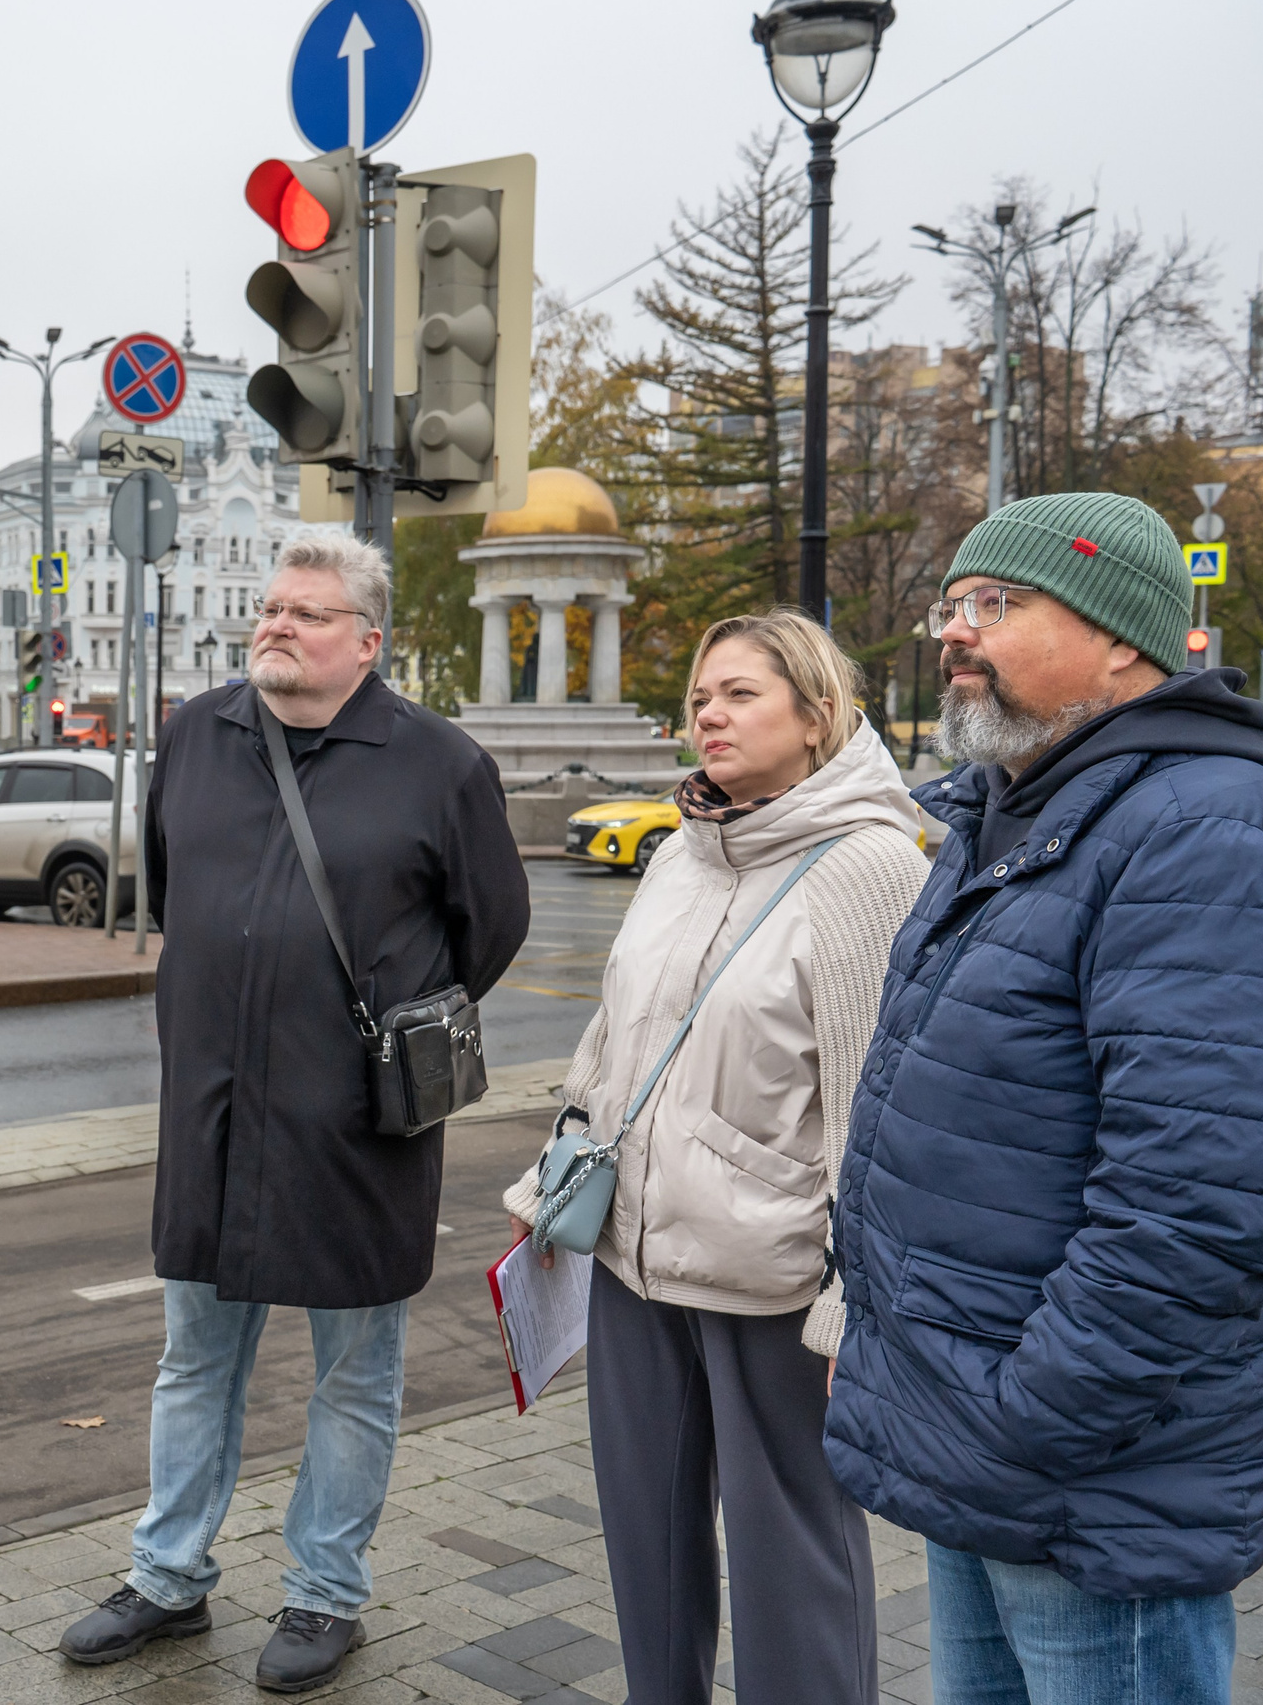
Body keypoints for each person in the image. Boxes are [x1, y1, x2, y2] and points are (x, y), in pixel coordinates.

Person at [826, 492, 1263, 1704]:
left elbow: (1203, 1199)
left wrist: (1032, 1411)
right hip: (981, 1433)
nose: (956, 630)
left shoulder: (1208, 823)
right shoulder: (1008, 813)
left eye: (999, 603)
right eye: (953, 603)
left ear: (1119, 638)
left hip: (1081, 1461)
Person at [57, 530, 529, 1693]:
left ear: (368, 641)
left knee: (356, 1368)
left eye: (306, 613)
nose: (275, 624)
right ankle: (167, 1575)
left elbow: (490, 928)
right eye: (270, 608)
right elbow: (177, 897)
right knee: (192, 1358)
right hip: (210, 1112)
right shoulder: (197, 736)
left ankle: (325, 1592)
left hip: (356, 1121)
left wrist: (378, 1025)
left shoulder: (440, 763)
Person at [499, 611, 928, 1705]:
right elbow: (610, 1042)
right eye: (699, 696)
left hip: (772, 1282)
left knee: (795, 1564)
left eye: (739, 692)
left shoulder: (870, 865)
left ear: (815, 711)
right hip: (632, 1255)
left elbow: (879, 1114)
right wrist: (542, 1189)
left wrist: (851, 1307)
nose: (708, 713)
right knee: (645, 1540)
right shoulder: (685, 852)